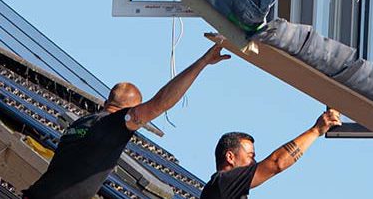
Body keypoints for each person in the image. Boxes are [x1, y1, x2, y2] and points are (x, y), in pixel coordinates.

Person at [22, 42, 233, 199]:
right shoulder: (112, 125)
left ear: (107, 101)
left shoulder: (81, 123)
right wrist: (203, 62)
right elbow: (160, 103)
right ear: (129, 110)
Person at [201, 109, 343, 199]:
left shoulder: (226, 190)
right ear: (230, 157)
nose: (254, 163)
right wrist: (316, 131)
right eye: (250, 156)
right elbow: (277, 163)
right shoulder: (222, 182)